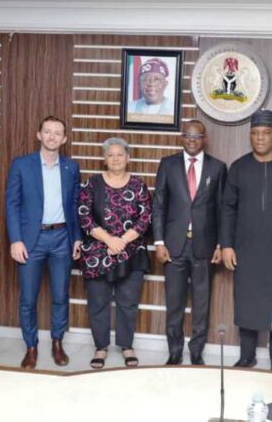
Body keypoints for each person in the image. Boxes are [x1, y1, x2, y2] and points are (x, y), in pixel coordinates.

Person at [221, 109, 272, 369]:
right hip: (245, 249)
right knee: (246, 301)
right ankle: (247, 356)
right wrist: (226, 245)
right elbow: (228, 209)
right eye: (255, 133)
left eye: (265, 133)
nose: (260, 138)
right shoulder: (238, 167)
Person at [5, 115, 83, 369]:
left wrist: (77, 238)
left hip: (62, 237)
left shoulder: (71, 167)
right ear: (39, 135)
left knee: (61, 295)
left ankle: (57, 343)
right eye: (47, 132)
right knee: (28, 298)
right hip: (31, 240)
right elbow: (12, 204)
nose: (51, 136)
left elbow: (74, 206)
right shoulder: (21, 165)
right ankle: (31, 346)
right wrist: (16, 240)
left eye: (57, 133)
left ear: (64, 139)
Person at [152, 119, 227, 366]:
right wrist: (159, 242)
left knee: (201, 302)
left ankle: (196, 351)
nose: (192, 141)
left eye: (197, 136)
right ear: (182, 138)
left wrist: (219, 244)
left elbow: (221, 210)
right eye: (188, 136)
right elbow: (159, 205)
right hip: (174, 244)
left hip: (204, 246)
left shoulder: (218, 168)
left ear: (204, 139)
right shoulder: (168, 164)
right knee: (174, 301)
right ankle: (174, 351)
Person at [77, 137, 152, 369]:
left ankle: (126, 346)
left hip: (131, 253)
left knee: (127, 303)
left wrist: (121, 242)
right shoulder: (91, 184)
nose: (116, 158)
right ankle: (100, 347)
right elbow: (84, 215)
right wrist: (109, 240)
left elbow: (145, 217)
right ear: (104, 159)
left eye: (120, 154)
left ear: (128, 158)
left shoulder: (139, 185)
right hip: (99, 252)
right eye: (111, 154)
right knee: (98, 303)